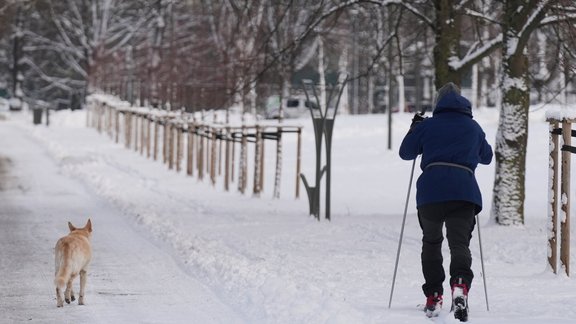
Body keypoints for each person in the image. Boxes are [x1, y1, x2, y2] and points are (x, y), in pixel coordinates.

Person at [398, 82, 493, 322]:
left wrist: (415, 129)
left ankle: (433, 296)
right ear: (463, 103)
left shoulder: (428, 125)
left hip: (431, 193)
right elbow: (487, 157)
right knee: (459, 244)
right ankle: (460, 286)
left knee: (431, 242)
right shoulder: (473, 127)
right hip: (463, 192)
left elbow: (406, 152)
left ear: (438, 103)